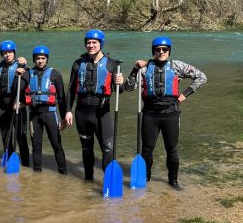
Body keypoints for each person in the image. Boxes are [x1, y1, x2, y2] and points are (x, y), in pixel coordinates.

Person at [123, 36, 207, 190]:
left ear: (169, 51)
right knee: (147, 149)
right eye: (158, 49)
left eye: (164, 49)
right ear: (153, 51)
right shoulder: (144, 68)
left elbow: (201, 77)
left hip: (171, 114)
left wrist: (185, 94)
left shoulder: (177, 66)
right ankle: (145, 179)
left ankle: (173, 181)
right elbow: (128, 88)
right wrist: (135, 69)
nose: (161, 52)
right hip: (150, 115)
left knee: (172, 149)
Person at [65, 29, 125, 181]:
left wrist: (121, 83)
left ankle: (108, 180)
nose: (91, 45)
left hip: (102, 111)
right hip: (82, 112)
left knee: (108, 148)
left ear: (101, 44)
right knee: (86, 148)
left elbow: (121, 91)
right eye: (88, 42)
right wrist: (68, 111)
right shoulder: (78, 64)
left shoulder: (112, 64)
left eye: (94, 42)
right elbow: (71, 90)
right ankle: (88, 179)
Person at [25, 46, 67, 174]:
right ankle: (37, 173)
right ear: (34, 60)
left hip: (50, 113)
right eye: (37, 58)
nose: (40, 61)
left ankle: (63, 172)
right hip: (34, 114)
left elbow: (61, 98)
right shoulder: (27, 74)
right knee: (36, 146)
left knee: (56, 144)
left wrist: (64, 117)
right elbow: (18, 87)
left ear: (47, 59)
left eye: (43, 58)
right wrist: (18, 73)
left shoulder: (55, 75)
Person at [0, 40, 30, 166]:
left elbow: (27, 84)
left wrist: (22, 102)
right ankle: (9, 159)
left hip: (17, 105)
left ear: (14, 53)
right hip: (2, 106)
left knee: (21, 136)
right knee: (5, 136)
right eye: (5, 52)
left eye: (10, 52)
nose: (7, 55)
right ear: (1, 54)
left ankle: (26, 163)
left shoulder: (22, 66)